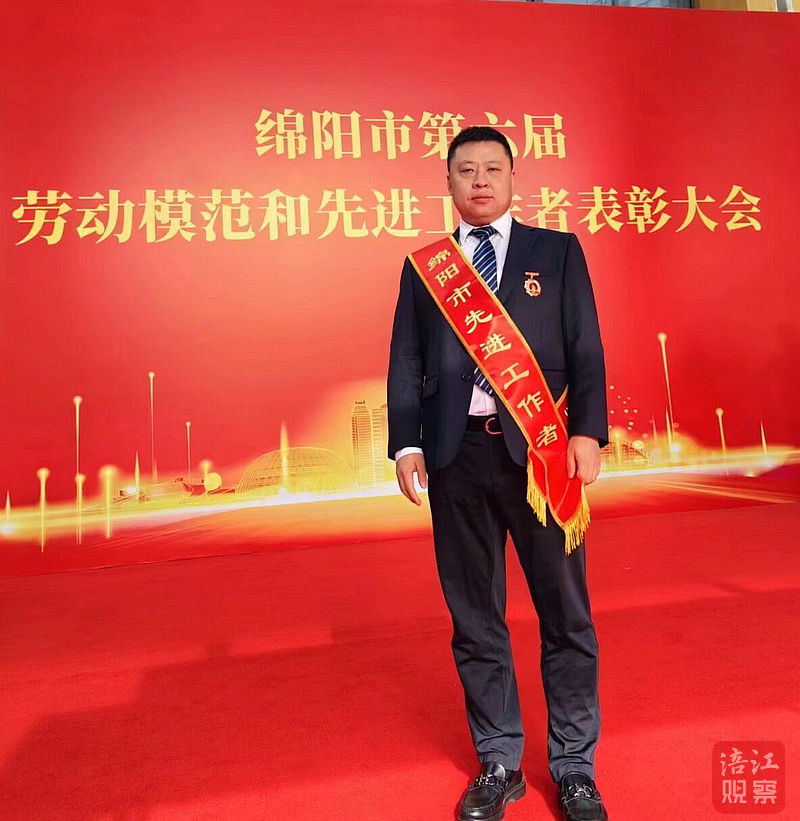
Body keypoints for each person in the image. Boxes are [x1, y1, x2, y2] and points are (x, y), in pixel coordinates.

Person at [387, 126, 609, 821]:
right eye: (465, 170)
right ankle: (499, 760)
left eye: (491, 168)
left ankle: (574, 766)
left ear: (513, 179)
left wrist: (587, 432)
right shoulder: (427, 268)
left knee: (564, 612)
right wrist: (405, 444)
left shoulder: (557, 251)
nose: (479, 180)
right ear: (448, 183)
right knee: (474, 616)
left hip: (541, 457)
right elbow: (405, 357)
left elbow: (586, 347)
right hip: (455, 457)